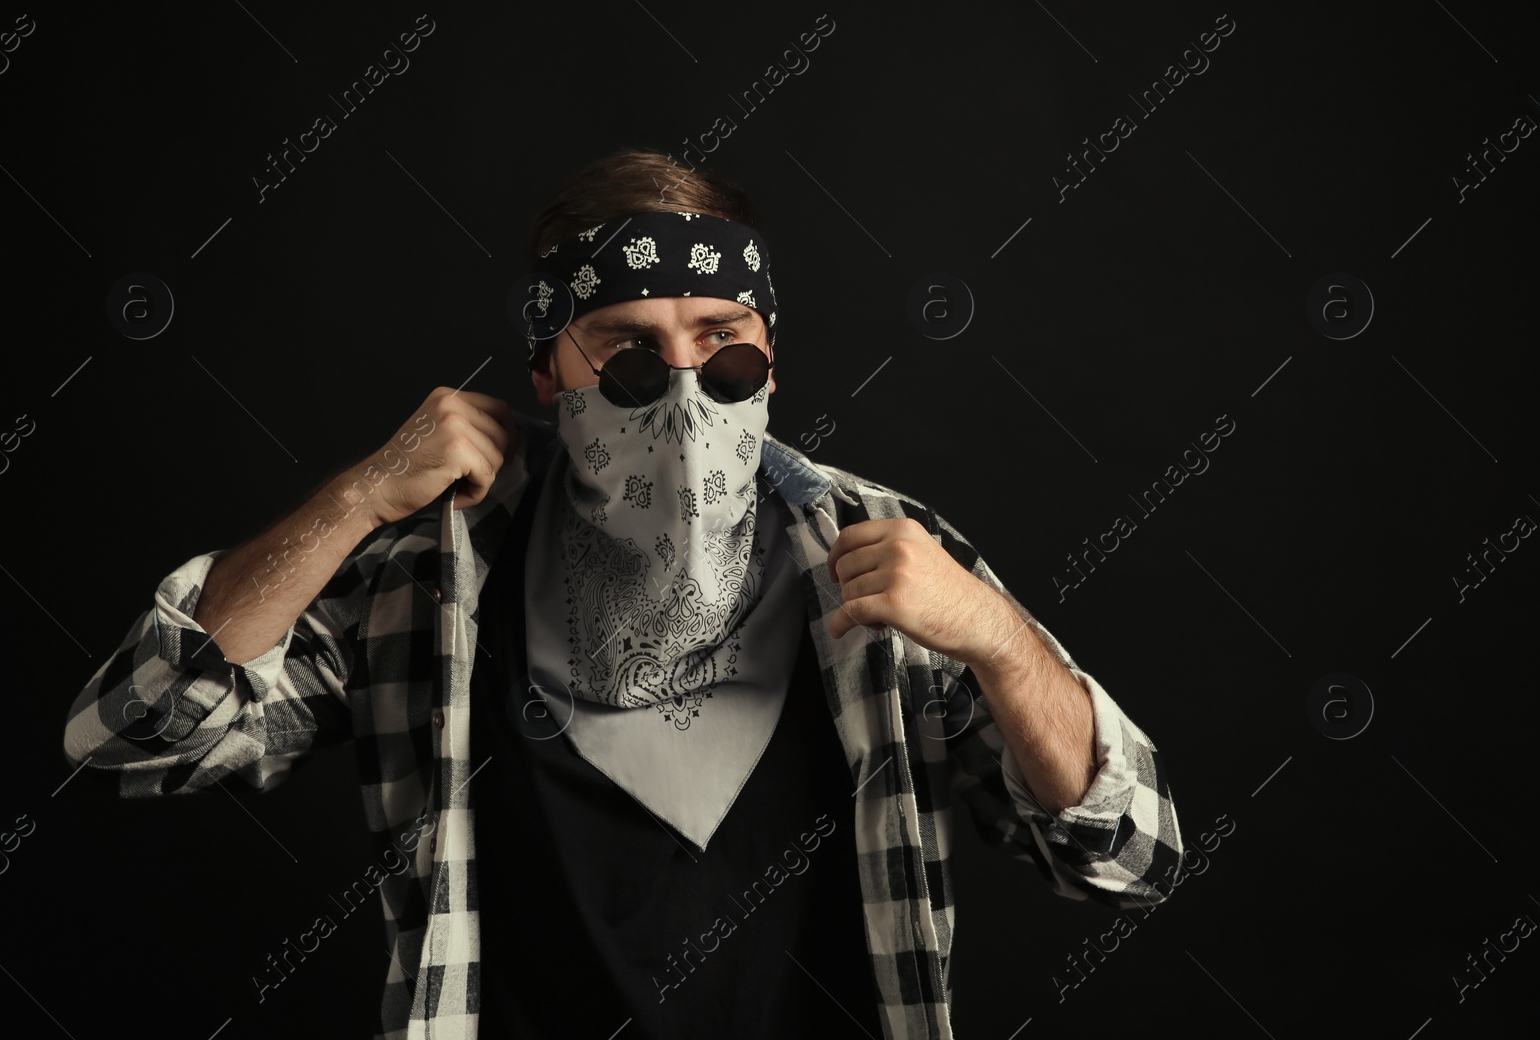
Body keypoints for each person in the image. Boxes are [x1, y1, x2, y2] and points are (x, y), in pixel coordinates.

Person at [63, 148, 1184, 1039]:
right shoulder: (428, 574)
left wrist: (994, 634)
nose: (687, 397)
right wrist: (355, 497)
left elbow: (1129, 855)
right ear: (550, 372)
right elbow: (138, 732)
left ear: (772, 363)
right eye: (631, 358)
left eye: (725, 350)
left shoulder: (890, 552)